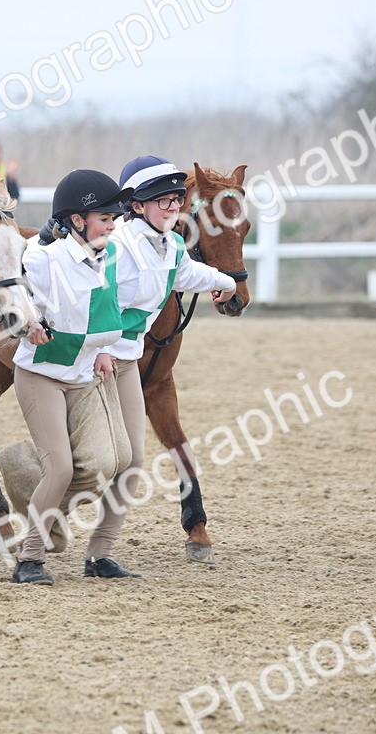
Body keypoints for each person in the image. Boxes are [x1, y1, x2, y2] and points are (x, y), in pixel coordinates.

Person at [97, 155, 239, 561]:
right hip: (96, 359)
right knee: (95, 461)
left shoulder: (171, 246)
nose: (173, 207)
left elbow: (188, 273)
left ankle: (101, 553)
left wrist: (229, 282)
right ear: (136, 205)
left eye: (177, 199)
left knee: (131, 459)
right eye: (165, 200)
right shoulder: (116, 248)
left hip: (124, 359)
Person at [10, 169, 135, 586]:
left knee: (111, 460)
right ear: (78, 221)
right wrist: (24, 322)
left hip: (83, 374)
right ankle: (29, 559)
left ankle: (25, 473)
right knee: (62, 468)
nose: (113, 225)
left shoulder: (108, 257)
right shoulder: (42, 258)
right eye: (105, 218)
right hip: (41, 374)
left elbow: (96, 315)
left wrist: (100, 351)